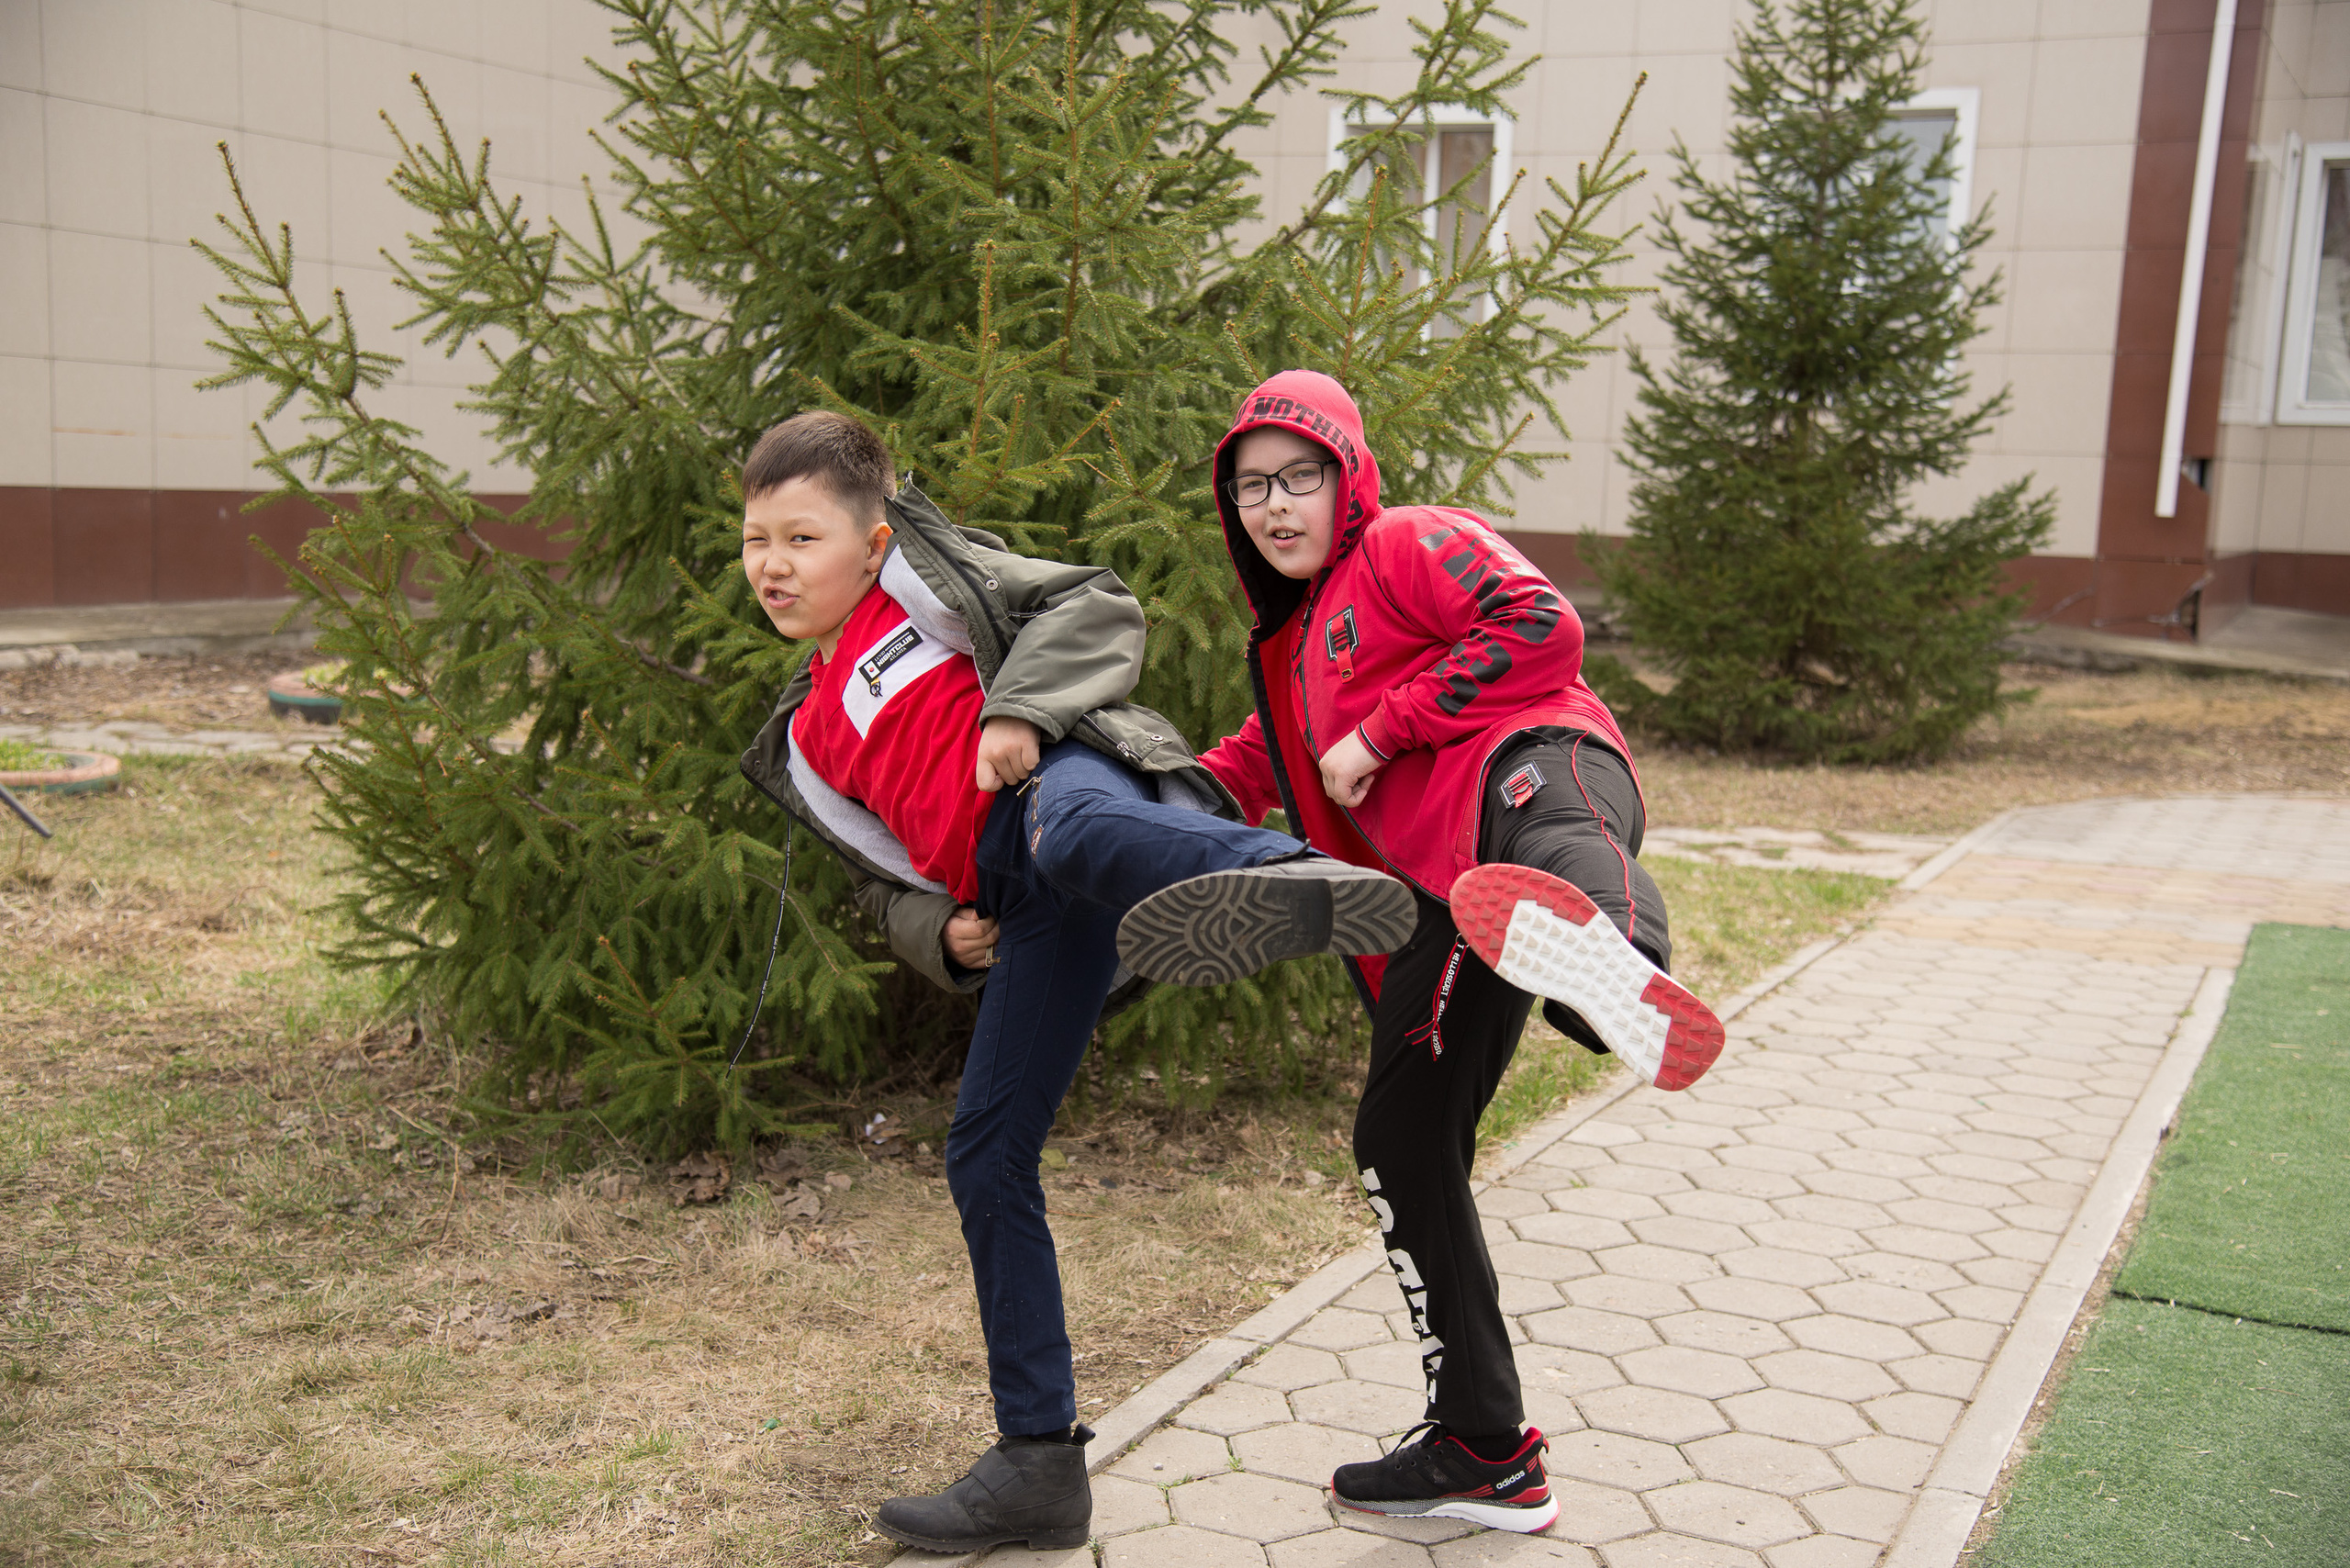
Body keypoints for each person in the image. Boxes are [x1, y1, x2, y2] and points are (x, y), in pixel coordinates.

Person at [733, 411, 1417, 1552]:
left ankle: (1305, 879)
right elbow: (875, 873)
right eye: (755, 539)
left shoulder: (923, 582)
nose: (772, 563)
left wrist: (1015, 709)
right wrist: (935, 931)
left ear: (869, 538)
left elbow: (1091, 602)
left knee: (1080, 833)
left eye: (801, 536)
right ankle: (1039, 1466)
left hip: (1069, 779)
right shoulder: (807, 732)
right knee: (984, 1149)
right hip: (1020, 903)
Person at [1117, 371, 1726, 1535]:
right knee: (1399, 1134)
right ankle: (1484, 1445)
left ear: (1350, 478)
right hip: (1454, 896)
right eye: (1250, 488)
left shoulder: (1405, 543)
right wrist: (1127, 797)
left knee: (1548, 837)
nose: (1275, 506)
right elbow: (1253, 764)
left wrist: (1383, 730)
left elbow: (1543, 625)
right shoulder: (1291, 656)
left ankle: (1614, 975)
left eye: (1300, 476)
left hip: (1532, 762)